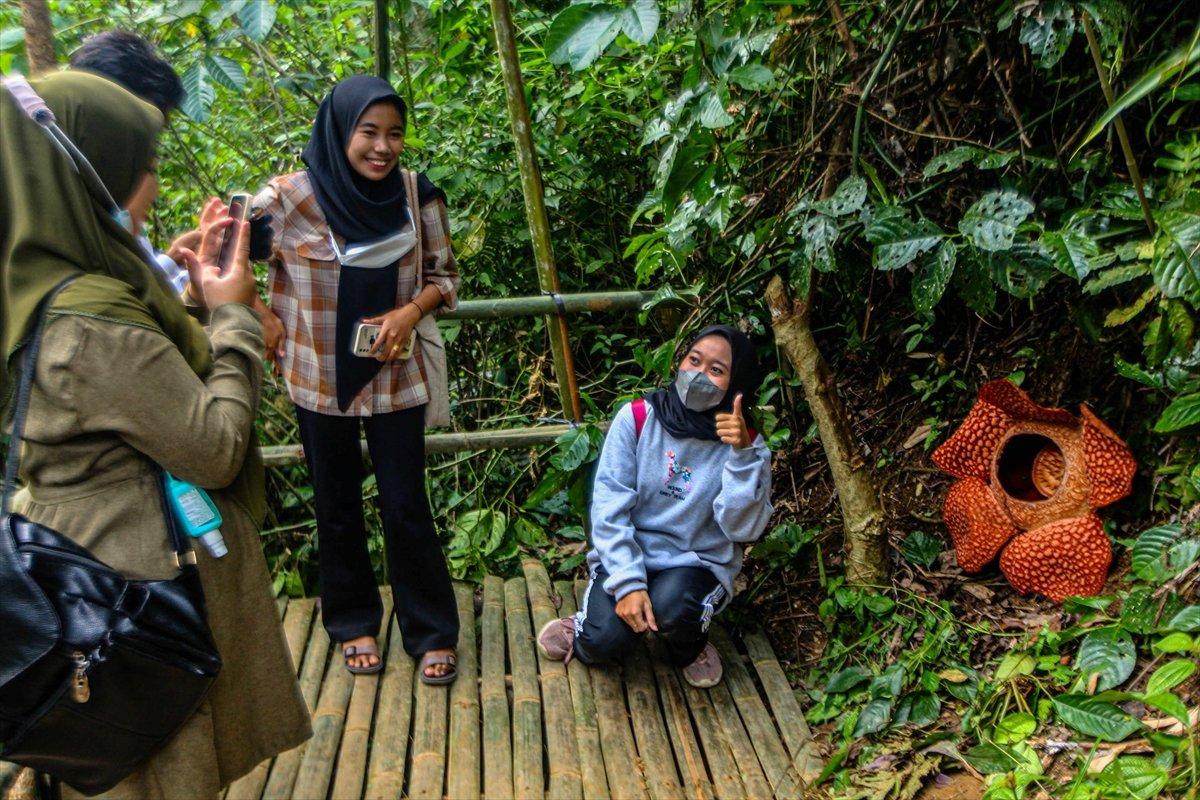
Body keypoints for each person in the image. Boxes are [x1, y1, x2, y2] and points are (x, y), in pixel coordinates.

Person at [0, 71, 311, 798]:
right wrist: (233, 316)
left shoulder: (35, 281)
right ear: (89, 175)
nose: (150, 185)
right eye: (141, 168)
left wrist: (179, 284)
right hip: (126, 597)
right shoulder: (90, 322)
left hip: (65, 567)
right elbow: (214, 446)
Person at [251, 75, 460, 682]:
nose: (383, 146)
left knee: (405, 503)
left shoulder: (415, 196)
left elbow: (444, 277)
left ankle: (430, 629)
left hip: (395, 377)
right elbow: (225, 260)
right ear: (341, 130)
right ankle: (352, 622)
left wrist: (409, 312)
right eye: (368, 131)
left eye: (395, 133)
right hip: (316, 377)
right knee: (336, 504)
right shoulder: (288, 200)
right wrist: (261, 315)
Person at [537, 326, 774, 687]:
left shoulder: (745, 444)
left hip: (697, 562)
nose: (698, 375)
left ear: (736, 383)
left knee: (675, 610)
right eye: (694, 361)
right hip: (631, 552)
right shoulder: (638, 418)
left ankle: (690, 647)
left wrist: (742, 456)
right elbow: (609, 506)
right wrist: (630, 583)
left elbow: (743, 530)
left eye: (716, 370)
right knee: (604, 641)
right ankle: (584, 626)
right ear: (679, 362)